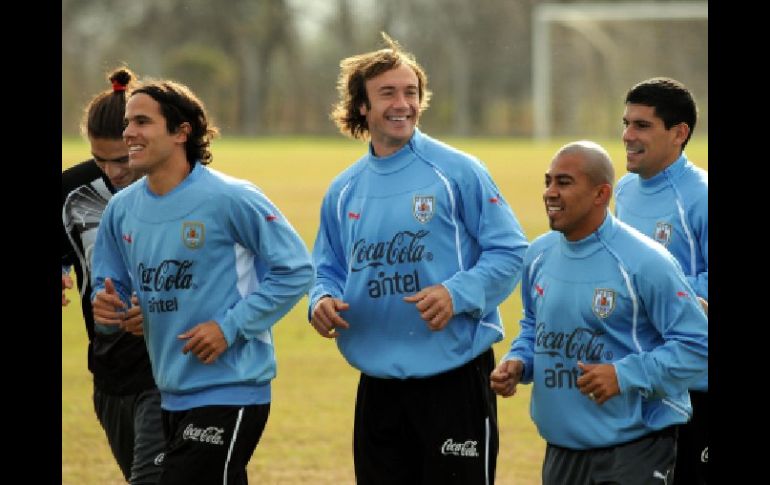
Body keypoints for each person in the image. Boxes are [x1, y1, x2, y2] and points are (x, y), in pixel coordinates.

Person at [309, 33, 529, 484]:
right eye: (387, 93)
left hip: (454, 376)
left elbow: (510, 250)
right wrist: (321, 299)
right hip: (378, 384)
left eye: (411, 92)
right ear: (362, 107)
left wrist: (457, 293)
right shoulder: (343, 190)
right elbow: (326, 268)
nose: (402, 103)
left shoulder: (458, 171)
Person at [90, 78, 314, 485]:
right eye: (127, 123)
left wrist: (229, 328)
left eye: (142, 122)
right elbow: (112, 286)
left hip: (232, 386)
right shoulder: (122, 210)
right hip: (170, 390)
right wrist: (114, 307)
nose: (129, 133)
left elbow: (296, 269)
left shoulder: (230, 197)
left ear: (181, 132)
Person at [490, 141, 708, 485]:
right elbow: (534, 325)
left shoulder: (646, 263)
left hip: (632, 450)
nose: (549, 192)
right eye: (548, 181)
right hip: (560, 449)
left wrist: (623, 375)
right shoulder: (538, 255)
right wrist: (519, 362)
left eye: (564, 182)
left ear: (600, 194)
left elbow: (698, 346)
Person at [61, 66, 165, 484]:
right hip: (110, 373)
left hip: (173, 369)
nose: (113, 173)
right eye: (100, 160)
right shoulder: (71, 192)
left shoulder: (179, 184)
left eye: (122, 159)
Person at [615, 77, 708, 485]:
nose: (627, 136)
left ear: (679, 133)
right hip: (640, 380)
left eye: (642, 126)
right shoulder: (622, 191)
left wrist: (659, 293)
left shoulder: (701, 195)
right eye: (626, 123)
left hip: (695, 384)